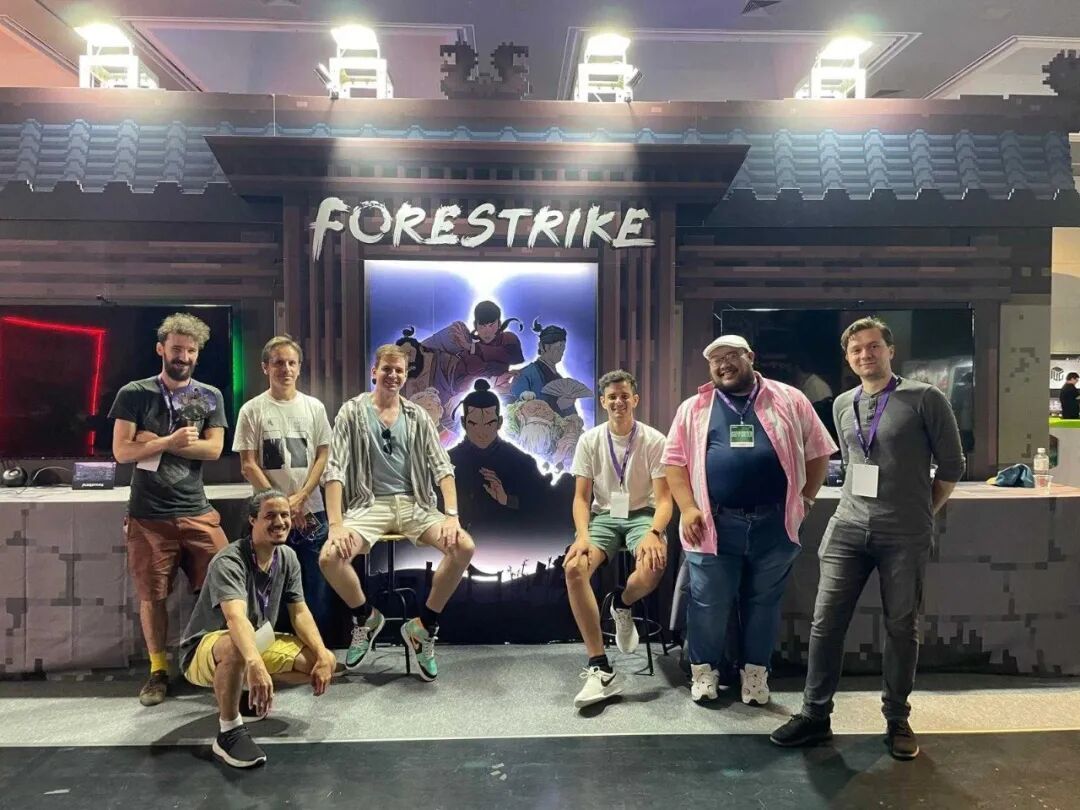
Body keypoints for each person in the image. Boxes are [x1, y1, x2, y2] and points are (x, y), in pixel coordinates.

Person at [770, 317, 965, 760]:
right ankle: (815, 715)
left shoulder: (925, 398)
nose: (865, 354)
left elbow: (952, 466)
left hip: (905, 532)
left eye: (873, 346)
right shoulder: (843, 403)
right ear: (848, 357)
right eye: (856, 349)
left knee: (901, 626)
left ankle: (897, 718)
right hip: (848, 526)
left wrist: (921, 511)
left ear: (890, 350)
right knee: (826, 623)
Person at [663, 335, 835, 707]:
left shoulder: (790, 399)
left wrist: (806, 499)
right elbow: (674, 463)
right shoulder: (693, 408)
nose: (724, 364)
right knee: (708, 603)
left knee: (764, 604)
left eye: (731, 356)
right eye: (716, 360)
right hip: (713, 525)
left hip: (775, 524)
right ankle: (704, 672)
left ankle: (755, 674)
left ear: (750, 357)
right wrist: (688, 508)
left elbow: (819, 450)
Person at [318, 344, 476, 680]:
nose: (392, 375)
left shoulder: (417, 415)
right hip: (368, 504)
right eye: (386, 369)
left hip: (414, 503)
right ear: (374, 371)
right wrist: (335, 524)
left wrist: (451, 515)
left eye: (399, 371)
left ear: (406, 376)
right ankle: (365, 617)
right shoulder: (351, 412)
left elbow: (443, 468)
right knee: (330, 557)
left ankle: (424, 626)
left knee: (464, 546)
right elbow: (334, 470)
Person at [109, 312, 228, 707]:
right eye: (177, 349)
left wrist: (154, 440)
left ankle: (212, 660)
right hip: (148, 515)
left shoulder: (209, 395)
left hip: (197, 510)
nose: (183, 356)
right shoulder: (134, 393)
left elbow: (214, 449)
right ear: (161, 348)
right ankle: (158, 670)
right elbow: (122, 451)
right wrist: (170, 441)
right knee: (153, 596)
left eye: (191, 350)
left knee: (224, 586)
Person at [178, 489, 338, 769]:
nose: (280, 522)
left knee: (322, 662)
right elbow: (235, 618)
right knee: (237, 648)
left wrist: (323, 652)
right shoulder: (230, 561)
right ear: (253, 520)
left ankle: (242, 694)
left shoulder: (287, 557)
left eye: (285, 515)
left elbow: (300, 612)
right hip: (207, 648)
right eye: (270, 515)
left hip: (254, 641)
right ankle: (228, 732)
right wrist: (255, 664)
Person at [565, 369, 672, 708]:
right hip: (604, 517)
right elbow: (581, 498)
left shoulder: (654, 440)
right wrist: (582, 537)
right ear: (603, 402)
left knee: (653, 564)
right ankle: (600, 666)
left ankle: (622, 603)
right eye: (612, 397)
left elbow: (665, 500)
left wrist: (655, 532)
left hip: (643, 514)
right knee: (574, 568)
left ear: (635, 399)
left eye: (624, 396)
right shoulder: (590, 440)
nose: (618, 402)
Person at [233, 336, 335, 639]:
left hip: (312, 513)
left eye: (292, 363)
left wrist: (301, 497)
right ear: (265, 367)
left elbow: (323, 456)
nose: (285, 369)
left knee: (315, 587)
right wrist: (283, 504)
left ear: (299, 368)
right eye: (278, 363)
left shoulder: (314, 407)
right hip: (270, 517)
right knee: (268, 589)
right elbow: (248, 464)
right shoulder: (252, 410)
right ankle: (271, 652)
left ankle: (316, 653)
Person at [448, 379, 549, 533]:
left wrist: (507, 500)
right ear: (463, 423)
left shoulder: (522, 463)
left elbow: (542, 505)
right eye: (474, 424)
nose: (482, 432)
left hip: (508, 541)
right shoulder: (446, 462)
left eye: (489, 424)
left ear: (499, 422)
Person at [511, 319, 579, 417]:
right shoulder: (526, 374)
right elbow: (515, 410)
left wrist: (569, 407)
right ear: (543, 347)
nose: (561, 351)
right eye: (558, 347)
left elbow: (571, 416)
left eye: (563, 347)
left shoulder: (561, 380)